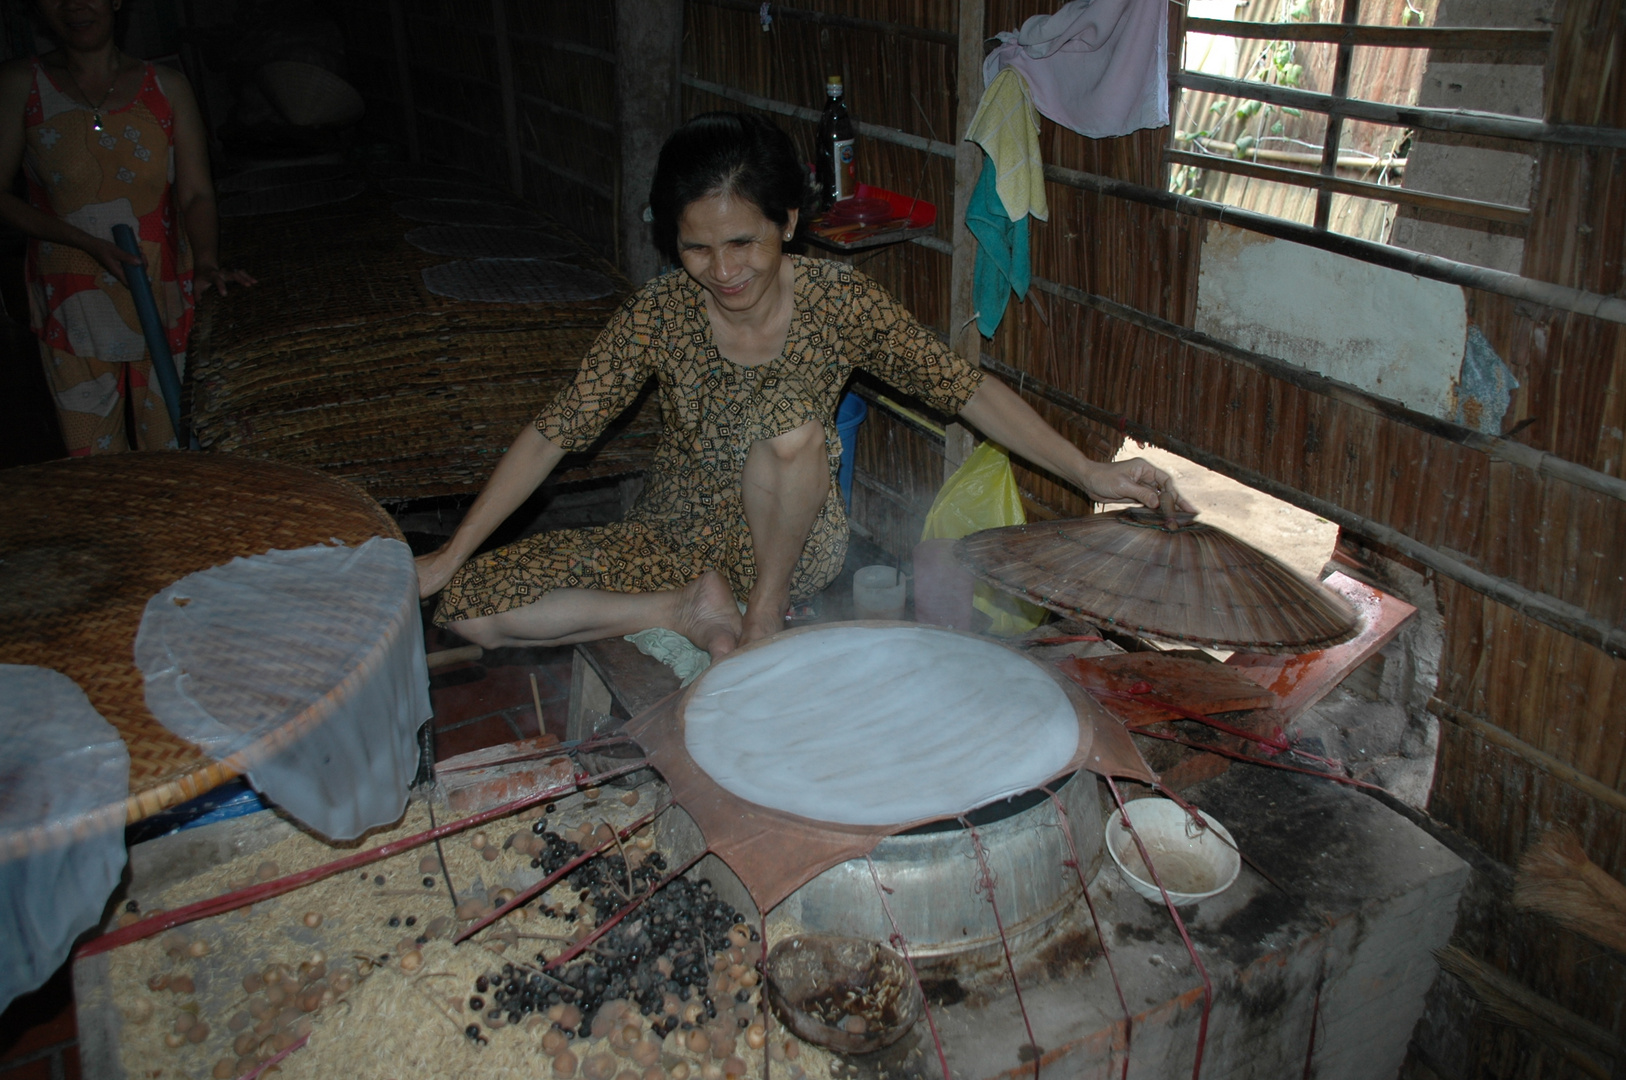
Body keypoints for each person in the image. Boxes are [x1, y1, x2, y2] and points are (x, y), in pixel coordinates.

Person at [416, 111, 1187, 658]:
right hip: (674, 537)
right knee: (475, 611)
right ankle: (684, 610)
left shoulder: (836, 302)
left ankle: (759, 621)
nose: (723, 271)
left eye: (742, 242)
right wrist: (451, 555)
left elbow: (965, 390)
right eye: (697, 249)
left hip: (790, 537)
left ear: (786, 222)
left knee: (788, 426)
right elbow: (555, 431)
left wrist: (1090, 471)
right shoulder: (659, 313)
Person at [0, 0, 255, 455]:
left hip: (162, 296)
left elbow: (195, 193)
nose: (75, 5)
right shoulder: (23, 84)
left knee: (174, 455)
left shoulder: (167, 87)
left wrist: (208, 261)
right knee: (98, 466)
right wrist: (87, 243)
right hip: (74, 305)